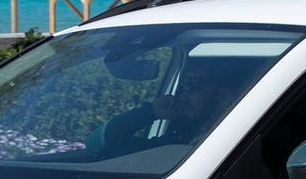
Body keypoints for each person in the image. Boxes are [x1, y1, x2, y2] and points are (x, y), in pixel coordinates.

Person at [90, 64, 236, 153]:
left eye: (193, 85)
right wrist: (151, 112)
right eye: (183, 85)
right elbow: (97, 143)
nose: (183, 95)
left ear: (224, 95)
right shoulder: (183, 135)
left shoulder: (235, 140)